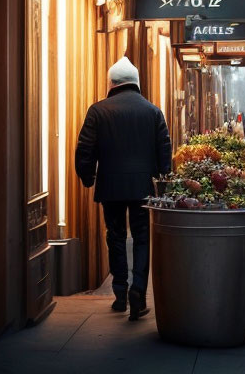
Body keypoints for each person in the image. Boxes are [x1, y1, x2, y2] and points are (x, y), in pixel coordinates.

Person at [75, 57, 171, 321]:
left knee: (115, 235)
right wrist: (163, 180)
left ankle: (119, 293)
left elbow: (85, 147)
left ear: (112, 83)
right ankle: (138, 290)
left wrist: (87, 175)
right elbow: (164, 149)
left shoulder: (98, 110)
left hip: (111, 185)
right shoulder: (153, 111)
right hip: (143, 186)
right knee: (141, 236)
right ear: (136, 83)